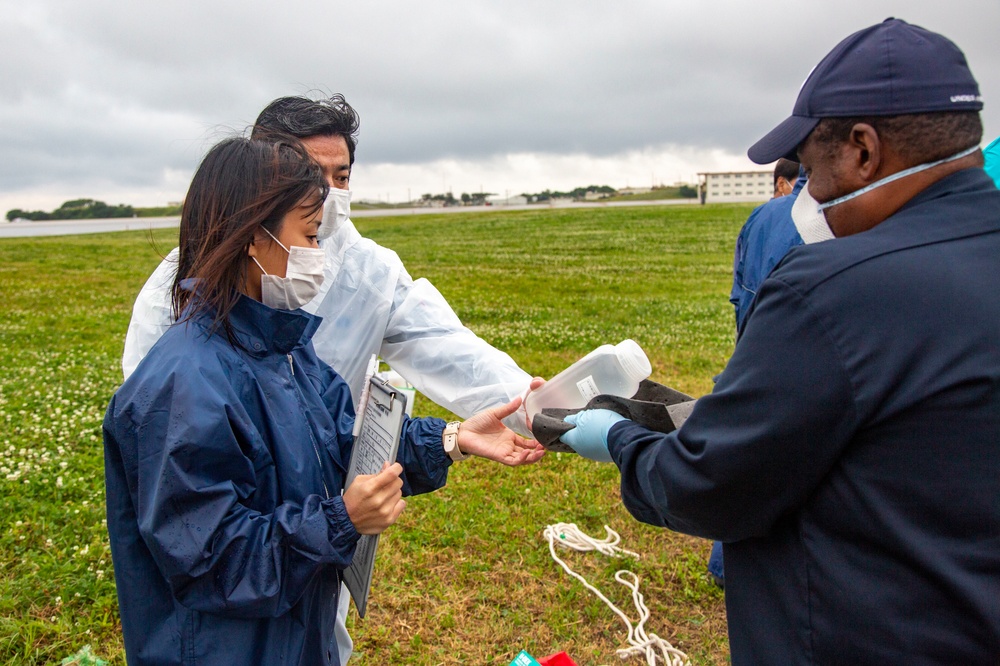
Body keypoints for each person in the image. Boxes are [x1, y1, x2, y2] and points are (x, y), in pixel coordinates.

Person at [559, 18, 999, 664]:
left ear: (863, 150)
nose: (810, 198)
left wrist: (621, 439)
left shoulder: (833, 288)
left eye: (813, 173)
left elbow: (710, 485)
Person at [121, 94, 536, 663]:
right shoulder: (184, 373)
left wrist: (449, 439)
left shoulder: (285, 343)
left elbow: (343, 435)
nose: (322, 239)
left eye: (338, 178)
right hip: (228, 634)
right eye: (310, 228)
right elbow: (206, 547)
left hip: (301, 577)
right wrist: (340, 519)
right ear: (251, 216)